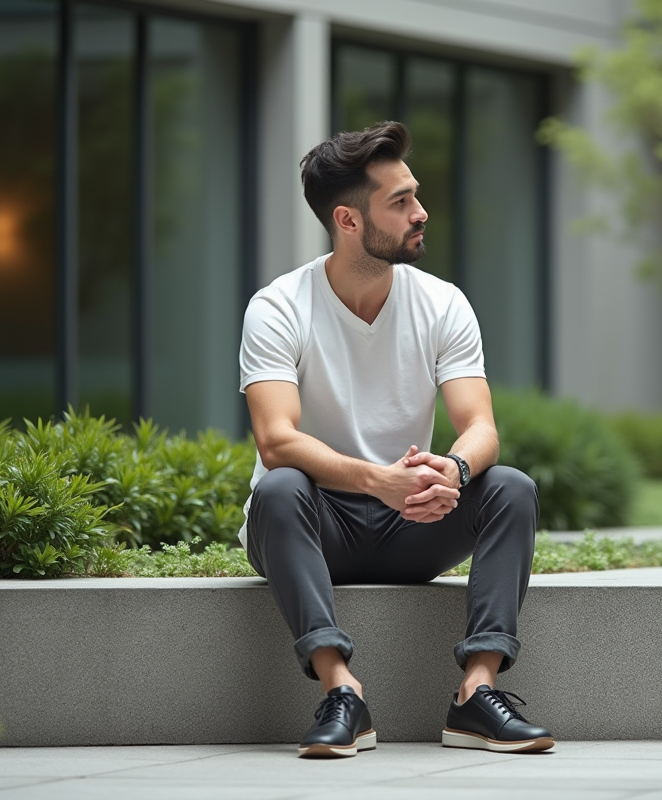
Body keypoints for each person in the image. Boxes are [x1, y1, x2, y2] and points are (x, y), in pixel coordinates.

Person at [238, 121, 554, 759]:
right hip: (314, 526)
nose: (421, 212)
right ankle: (341, 692)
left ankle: (476, 694)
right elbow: (276, 440)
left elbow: (481, 427)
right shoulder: (278, 307)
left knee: (510, 488)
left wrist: (454, 473)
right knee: (278, 488)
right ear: (348, 220)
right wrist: (378, 479)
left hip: (412, 521)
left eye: (416, 195)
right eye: (401, 201)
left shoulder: (442, 304)